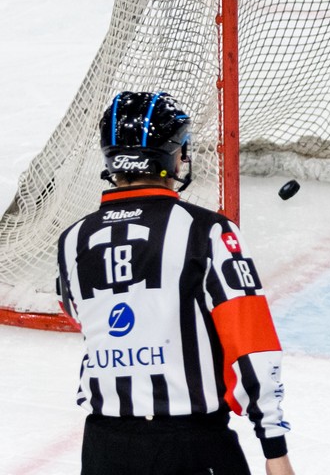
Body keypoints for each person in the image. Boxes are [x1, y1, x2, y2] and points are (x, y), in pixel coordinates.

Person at [56, 92, 295, 475]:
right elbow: (253, 345)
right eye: (182, 150)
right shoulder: (209, 232)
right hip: (191, 447)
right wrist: (274, 447)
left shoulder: (72, 239)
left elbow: (79, 314)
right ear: (170, 158)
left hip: (104, 449)